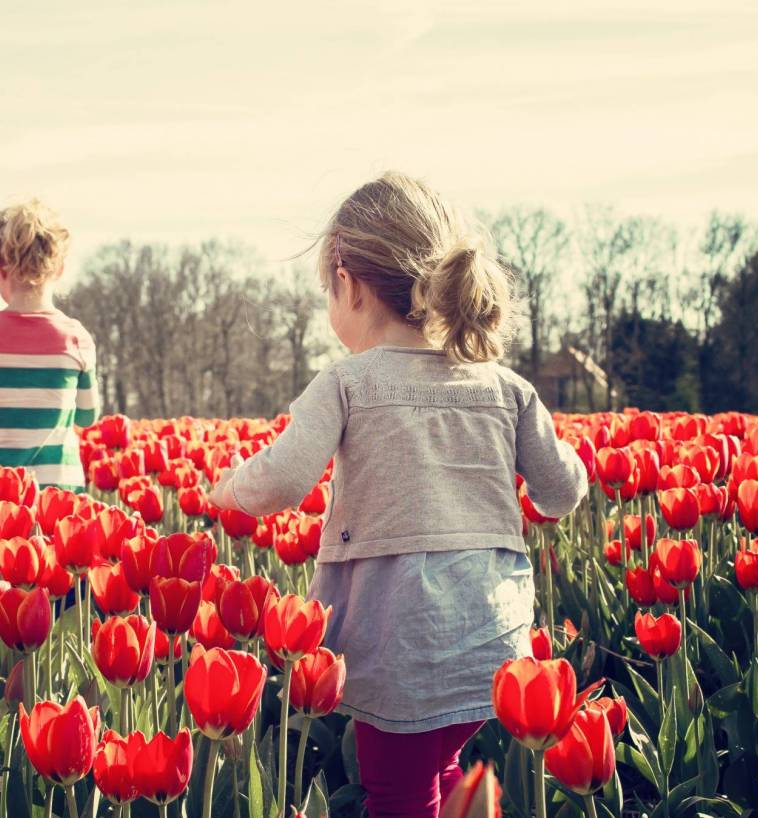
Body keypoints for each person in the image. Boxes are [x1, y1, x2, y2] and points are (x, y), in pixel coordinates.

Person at [208, 172, 587, 818]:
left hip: (400, 643)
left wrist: (225, 489)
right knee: (438, 769)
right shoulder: (504, 387)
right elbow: (562, 491)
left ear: (347, 283)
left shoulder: (348, 384)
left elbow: (282, 480)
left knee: (398, 793)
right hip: (491, 642)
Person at [0, 198, 99, 490]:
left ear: (0, 268)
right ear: (59, 268)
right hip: (58, 487)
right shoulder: (76, 339)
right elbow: (87, 416)